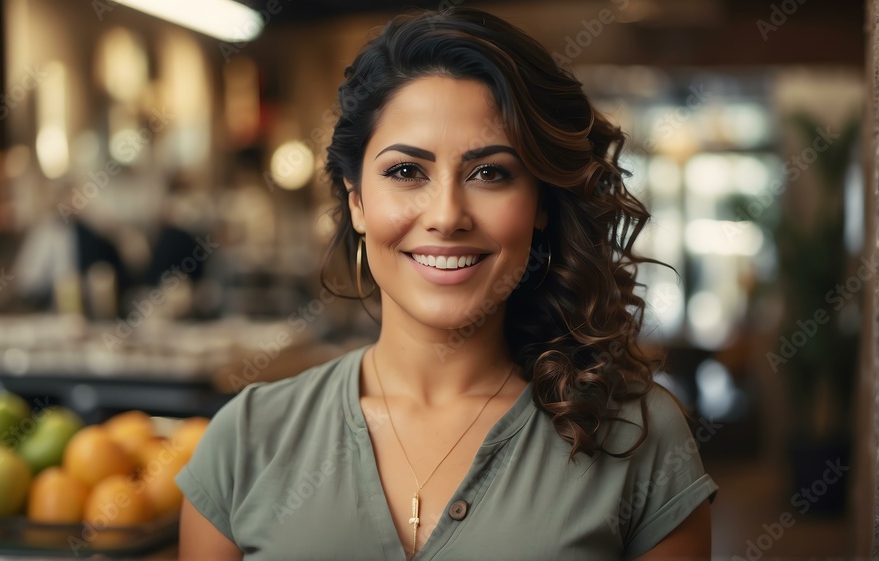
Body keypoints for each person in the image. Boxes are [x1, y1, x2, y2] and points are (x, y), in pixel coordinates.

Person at [177, 8, 717, 560]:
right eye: (406, 171)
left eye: (490, 173)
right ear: (357, 199)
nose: (447, 215)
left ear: (540, 205)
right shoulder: (245, 441)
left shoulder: (638, 435)